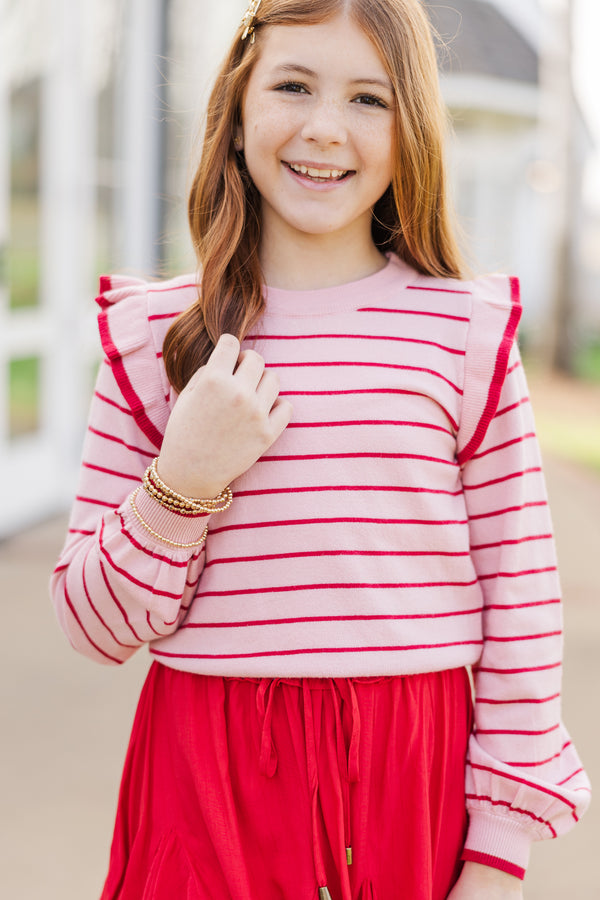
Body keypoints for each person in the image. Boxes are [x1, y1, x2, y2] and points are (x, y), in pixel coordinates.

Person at [50, 1, 591, 898]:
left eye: (369, 99)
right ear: (239, 106)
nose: (324, 128)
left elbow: (524, 609)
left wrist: (497, 857)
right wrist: (181, 483)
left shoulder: (464, 335)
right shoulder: (154, 339)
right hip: (206, 775)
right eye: (293, 84)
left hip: (409, 777)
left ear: (409, 126)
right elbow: (90, 625)